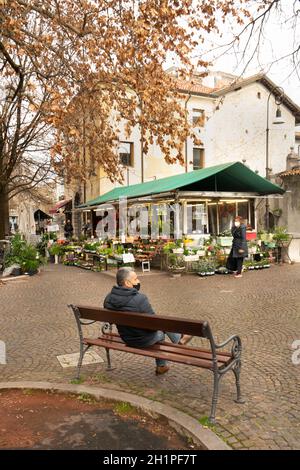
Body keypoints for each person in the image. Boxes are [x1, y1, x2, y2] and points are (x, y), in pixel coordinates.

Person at [103, 267, 193, 375]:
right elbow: (154, 325)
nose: (138, 281)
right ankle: (163, 362)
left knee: (160, 322)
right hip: (143, 340)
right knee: (160, 329)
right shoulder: (140, 299)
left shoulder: (108, 298)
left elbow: (110, 321)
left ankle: (179, 340)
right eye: (136, 279)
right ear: (127, 282)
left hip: (125, 337)